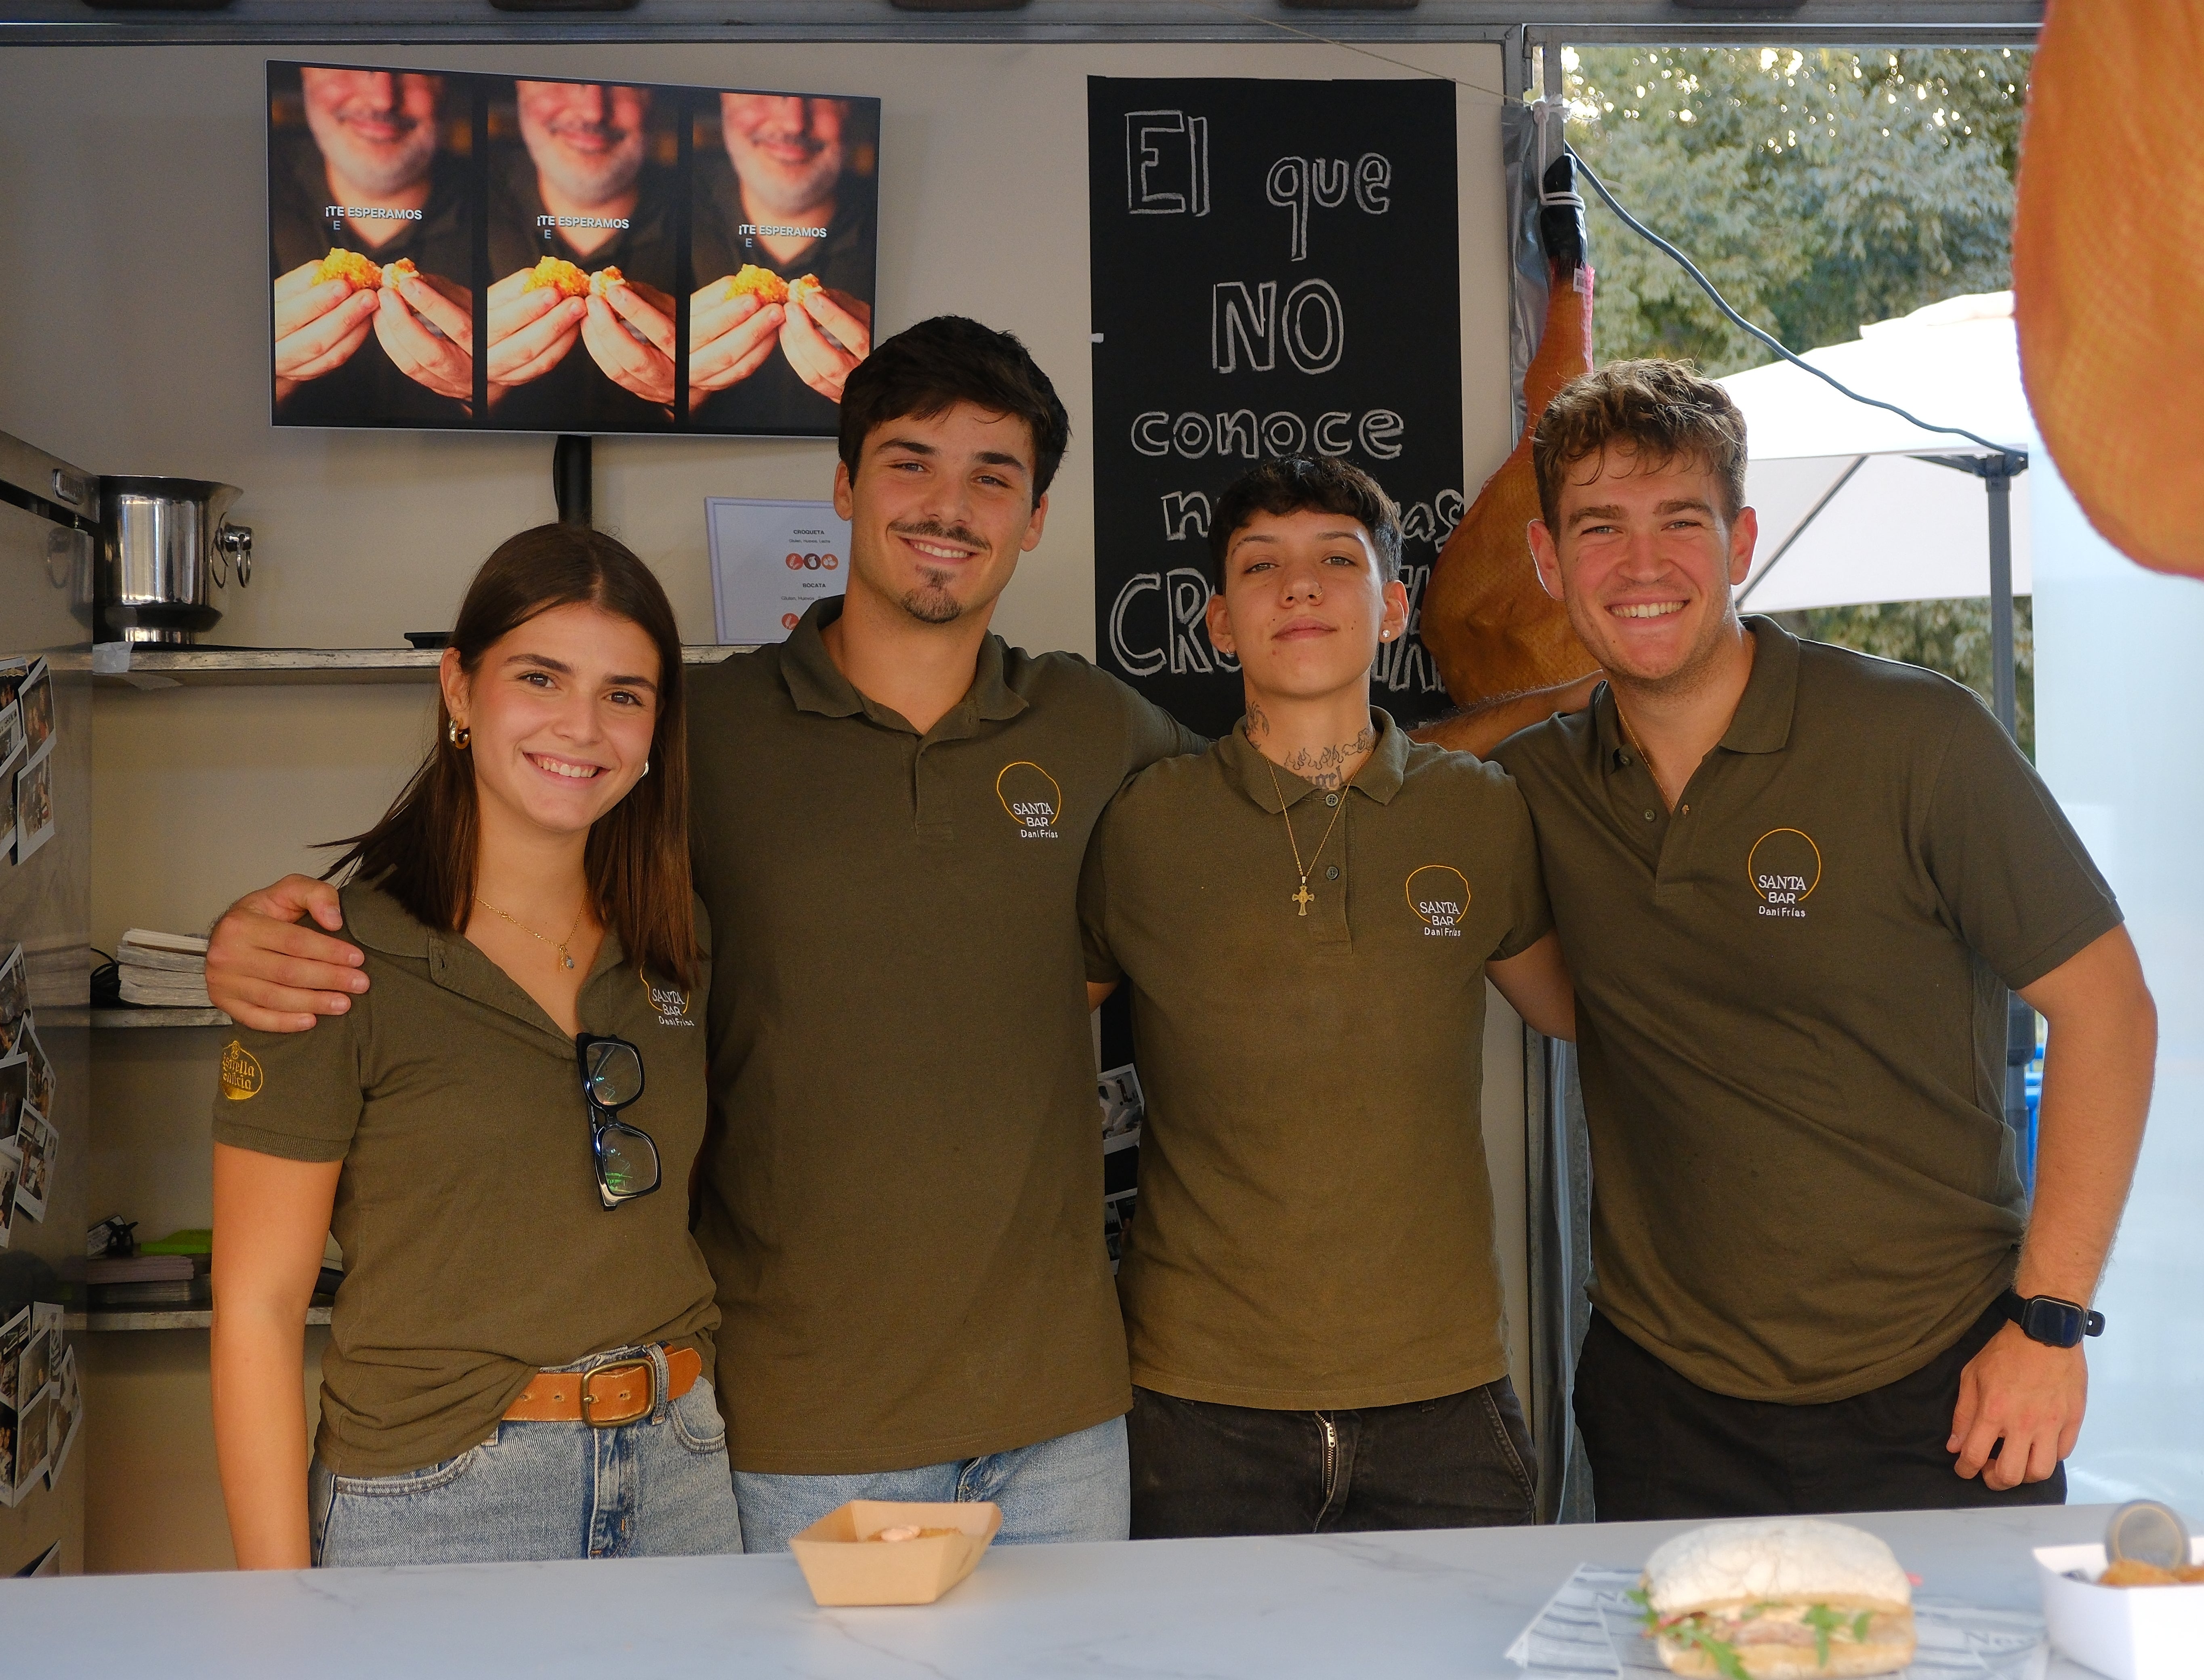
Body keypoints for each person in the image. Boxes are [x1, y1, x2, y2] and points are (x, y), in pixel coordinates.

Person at [207, 318, 1196, 1552]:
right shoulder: (699, 738)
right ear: (843, 485)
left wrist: (1485, 766)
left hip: (1053, 1424)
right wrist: (252, 929)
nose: (950, 505)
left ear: (1036, 515)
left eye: (993, 475)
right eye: (908, 462)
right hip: (792, 1424)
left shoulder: (1094, 724)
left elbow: (1272, 823)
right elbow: (500, 869)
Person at [1471, 360, 2158, 1517]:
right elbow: (1565, 997)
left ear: (1741, 542)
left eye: (1678, 522)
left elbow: (2110, 1012)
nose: (1642, 567)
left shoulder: (1916, 738)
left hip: (1941, 1388)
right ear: (1548, 562)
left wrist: (2050, 1326)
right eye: (1600, 529)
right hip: (1664, 1406)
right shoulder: (1537, 787)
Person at [209, 526, 735, 1567]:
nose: (581, 727)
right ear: (459, 689)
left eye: (623, 695)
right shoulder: (326, 960)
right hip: (441, 1498)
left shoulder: (679, 944)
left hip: (682, 1473)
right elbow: (258, 1310)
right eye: (540, 677)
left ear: (656, 728)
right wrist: (276, 1614)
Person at [1081, 457, 1577, 1537]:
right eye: (1261, 566)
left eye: (1335, 562)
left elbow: (1577, 1008)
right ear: (1218, 621)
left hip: (1443, 1396)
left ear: (1394, 606)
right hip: (1194, 1404)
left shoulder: (1483, 813)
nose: (1299, 589)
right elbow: (1019, 1032)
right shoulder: (1142, 826)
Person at [269, 65, 476, 426]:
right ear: (303, 71)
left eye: (417, 70)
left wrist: (490, 395)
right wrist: (258, 385)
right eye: (352, 64)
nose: (383, 99)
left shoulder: (497, 200)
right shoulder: (233, 190)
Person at [484, 80, 680, 431]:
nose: (593, 111)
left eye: (625, 83)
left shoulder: (700, 209)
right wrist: (469, 397)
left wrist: (687, 400)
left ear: (653, 98)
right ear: (517, 84)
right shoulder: (470, 193)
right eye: (562, 79)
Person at [687, 91, 877, 433]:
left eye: (823, 96)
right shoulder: (672, 202)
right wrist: (670, 398)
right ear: (723, 99)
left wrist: (895, 402)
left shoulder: (906, 230)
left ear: (850, 110)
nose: (793, 122)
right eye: (763, 93)